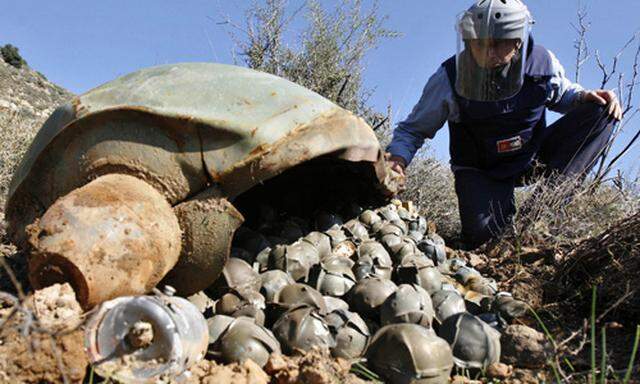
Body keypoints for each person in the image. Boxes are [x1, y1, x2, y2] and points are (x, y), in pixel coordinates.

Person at [386, 0, 622, 249]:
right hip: (482, 169)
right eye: (480, 43)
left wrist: (584, 96)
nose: (488, 53)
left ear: (518, 40)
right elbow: (413, 129)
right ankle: (498, 231)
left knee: (602, 111)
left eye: (499, 43)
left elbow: (562, 94)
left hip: (530, 156)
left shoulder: (542, 63)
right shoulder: (449, 78)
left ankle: (540, 217)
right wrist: (398, 159)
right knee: (486, 242)